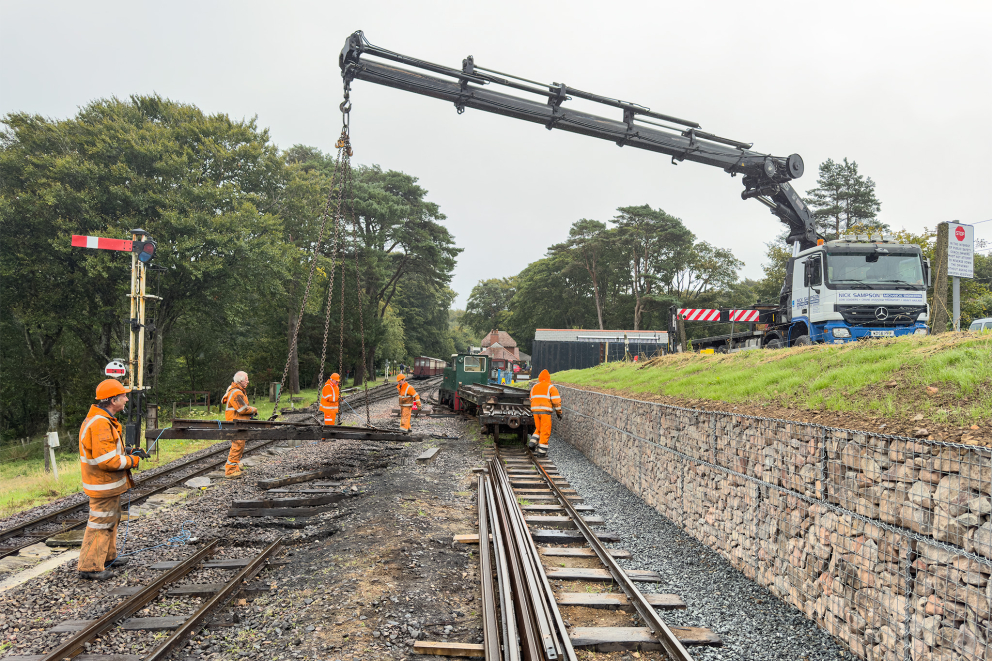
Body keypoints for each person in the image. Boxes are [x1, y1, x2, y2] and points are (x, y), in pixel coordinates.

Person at [78, 379, 149, 580]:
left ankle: (108, 557)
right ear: (112, 399)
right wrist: (132, 460)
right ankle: (90, 567)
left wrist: (128, 450)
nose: (126, 399)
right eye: (123, 396)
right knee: (100, 523)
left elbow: (107, 450)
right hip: (103, 484)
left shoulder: (103, 419)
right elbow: (106, 460)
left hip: (108, 485)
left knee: (110, 521)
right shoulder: (100, 423)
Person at [221, 371, 257, 478]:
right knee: (237, 445)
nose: (248, 381)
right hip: (235, 423)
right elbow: (242, 409)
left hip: (238, 423)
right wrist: (254, 409)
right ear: (240, 381)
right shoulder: (236, 392)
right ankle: (230, 471)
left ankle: (235, 466)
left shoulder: (237, 391)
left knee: (239, 444)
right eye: (246, 379)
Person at [528, 369, 563, 457]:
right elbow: (556, 402)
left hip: (535, 411)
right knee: (545, 430)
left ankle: (532, 443)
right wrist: (559, 412)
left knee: (538, 428)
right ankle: (542, 452)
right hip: (545, 412)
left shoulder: (534, 387)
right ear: (548, 378)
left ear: (539, 378)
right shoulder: (551, 387)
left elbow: (531, 399)